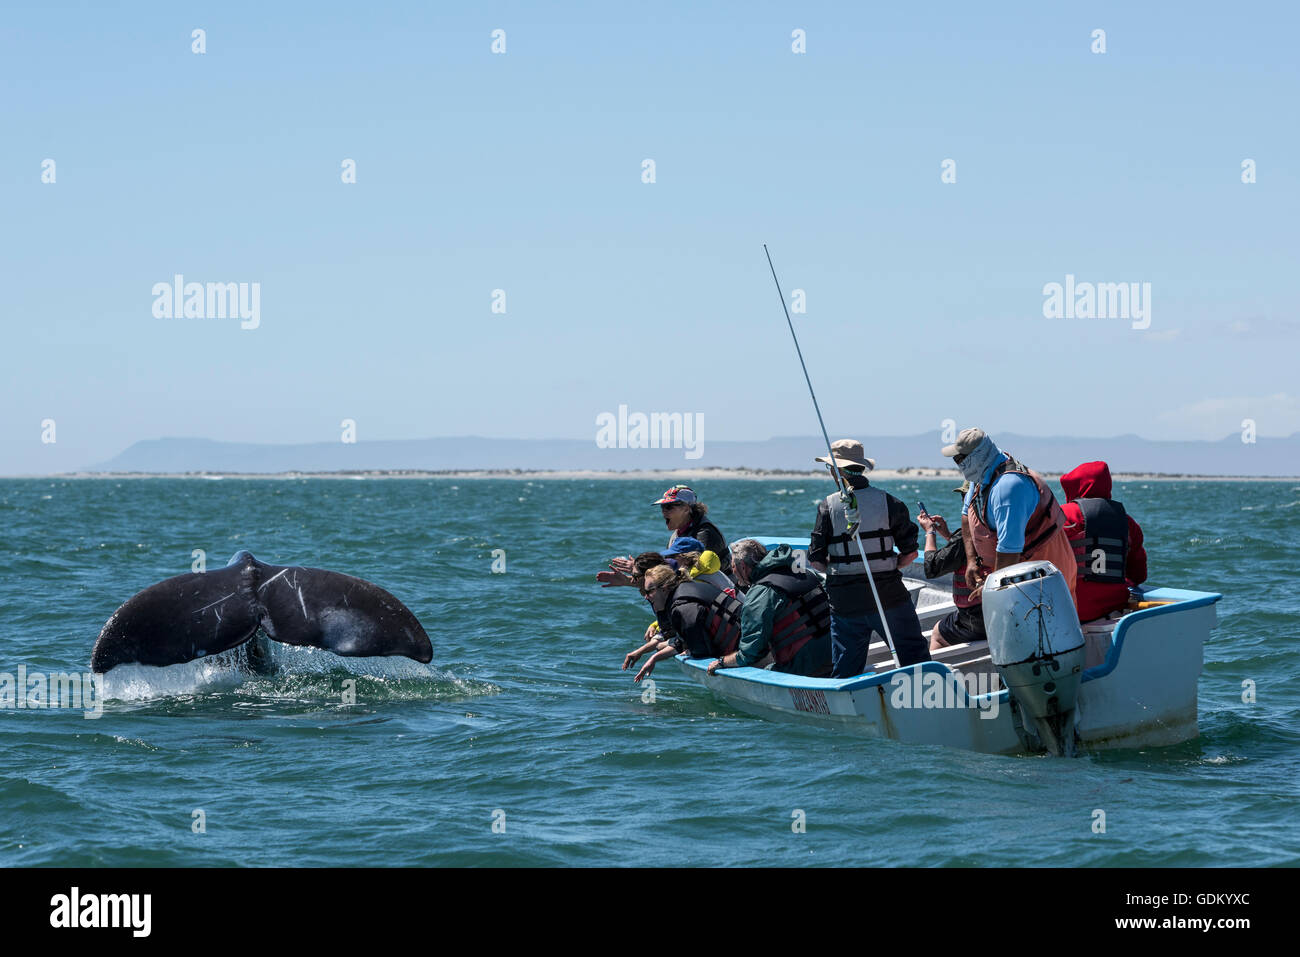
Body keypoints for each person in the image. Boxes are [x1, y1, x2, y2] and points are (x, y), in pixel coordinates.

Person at [807, 439, 931, 676]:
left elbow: (815, 560)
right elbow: (911, 552)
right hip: (888, 594)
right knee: (914, 656)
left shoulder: (828, 506)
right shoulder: (891, 502)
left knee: (846, 667)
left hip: (845, 600)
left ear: (838, 470)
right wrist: (891, 564)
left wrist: (840, 568)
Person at [942, 428, 1077, 607]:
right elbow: (967, 515)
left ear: (977, 455)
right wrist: (972, 561)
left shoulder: (1009, 488)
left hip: (1043, 574)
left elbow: (1009, 550)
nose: (957, 464)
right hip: (1012, 573)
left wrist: (993, 589)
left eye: (960, 459)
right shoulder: (981, 473)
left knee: (1048, 625)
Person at [706, 540, 832, 677]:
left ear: (742, 566)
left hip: (803, 667)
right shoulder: (805, 573)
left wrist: (722, 662)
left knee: (761, 667)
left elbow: (749, 654)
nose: (733, 572)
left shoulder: (760, 594)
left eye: (733, 567)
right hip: (836, 654)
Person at [1059, 460, 1148, 622]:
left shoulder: (1062, 515)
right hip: (1113, 608)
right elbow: (1139, 575)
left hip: (1069, 608)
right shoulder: (1128, 523)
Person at [596, 484, 732, 587]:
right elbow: (669, 577)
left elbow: (687, 577)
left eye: (669, 507)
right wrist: (631, 580)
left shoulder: (706, 534)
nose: (663, 512)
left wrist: (642, 570)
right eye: (662, 507)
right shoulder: (677, 534)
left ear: (686, 508)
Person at [626, 564, 743, 681]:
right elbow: (684, 641)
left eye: (649, 591)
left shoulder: (682, 607)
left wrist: (689, 650)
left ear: (664, 588)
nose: (646, 597)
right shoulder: (686, 588)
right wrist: (654, 658)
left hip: (745, 643)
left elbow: (700, 650)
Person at [918, 481, 986, 650]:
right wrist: (948, 535)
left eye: (965, 497)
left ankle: (935, 676)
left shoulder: (966, 535)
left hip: (974, 619)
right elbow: (971, 555)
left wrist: (930, 532)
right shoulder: (994, 527)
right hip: (996, 612)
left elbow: (931, 567)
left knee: (938, 633)